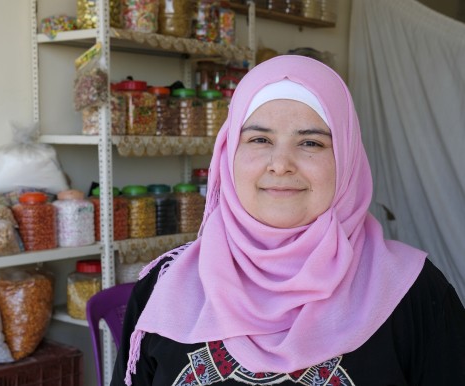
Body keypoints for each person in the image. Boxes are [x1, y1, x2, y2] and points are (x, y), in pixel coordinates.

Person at [110, 55, 465, 386]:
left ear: (347, 158)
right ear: (228, 154)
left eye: (310, 143)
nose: (280, 164)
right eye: (259, 139)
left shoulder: (414, 292)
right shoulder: (165, 286)